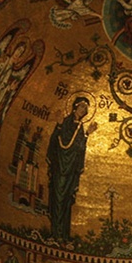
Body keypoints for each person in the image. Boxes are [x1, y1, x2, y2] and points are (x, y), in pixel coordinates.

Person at [46, 96, 97, 240]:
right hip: (60, 168)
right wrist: (59, 126)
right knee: (57, 199)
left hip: (70, 171)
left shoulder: (80, 127)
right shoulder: (66, 122)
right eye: (82, 107)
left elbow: (79, 148)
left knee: (67, 200)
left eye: (86, 109)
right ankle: (55, 232)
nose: (84, 110)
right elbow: (57, 142)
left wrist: (87, 134)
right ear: (75, 107)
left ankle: (63, 234)